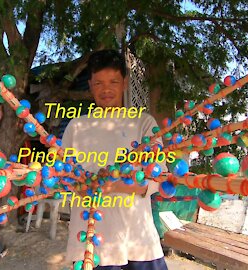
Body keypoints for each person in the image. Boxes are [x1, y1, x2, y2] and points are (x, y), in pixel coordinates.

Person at [62, 49, 168, 270]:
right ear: (90, 85)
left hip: (138, 239)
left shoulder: (144, 123)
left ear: (125, 83)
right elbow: (64, 175)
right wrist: (78, 185)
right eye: (98, 83)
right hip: (92, 241)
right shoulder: (76, 127)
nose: (106, 89)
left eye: (113, 81)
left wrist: (116, 186)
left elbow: (158, 177)